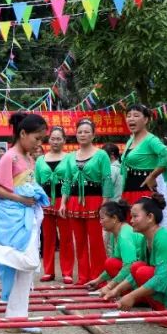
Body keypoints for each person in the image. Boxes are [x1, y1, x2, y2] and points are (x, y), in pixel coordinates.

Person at [0, 112, 51, 333]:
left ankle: (17, 318)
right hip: (14, 216)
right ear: (22, 133)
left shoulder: (29, 159)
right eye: (36, 138)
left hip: (28, 215)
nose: (39, 143)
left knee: (24, 272)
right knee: (30, 262)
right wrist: (22, 199)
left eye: (42, 139)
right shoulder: (10, 157)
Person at [58, 119, 113, 284]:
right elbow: (67, 181)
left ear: (93, 135)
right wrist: (63, 203)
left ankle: (98, 277)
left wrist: (105, 203)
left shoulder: (101, 155)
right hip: (74, 202)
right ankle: (83, 277)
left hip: (94, 200)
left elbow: (107, 180)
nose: (83, 135)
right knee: (79, 241)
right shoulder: (70, 157)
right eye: (80, 132)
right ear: (76, 134)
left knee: (96, 241)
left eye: (87, 132)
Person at [119, 104, 167, 204]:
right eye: (128, 116)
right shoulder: (130, 140)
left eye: (136, 115)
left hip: (143, 194)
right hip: (128, 193)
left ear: (146, 120)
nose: (131, 119)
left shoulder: (151, 140)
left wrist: (152, 176)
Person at [84, 200, 144, 300]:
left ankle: (135, 296)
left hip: (141, 272)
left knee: (111, 263)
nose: (100, 222)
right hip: (135, 273)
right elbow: (116, 262)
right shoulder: (115, 233)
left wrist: (109, 286)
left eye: (102, 218)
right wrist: (98, 280)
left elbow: (129, 265)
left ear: (114, 218)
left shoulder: (125, 235)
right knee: (111, 263)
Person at [35, 126, 71, 283]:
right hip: (45, 202)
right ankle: (48, 271)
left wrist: (65, 201)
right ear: (48, 140)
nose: (55, 142)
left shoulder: (70, 158)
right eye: (52, 138)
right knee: (47, 238)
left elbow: (71, 181)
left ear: (64, 140)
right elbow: (36, 183)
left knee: (66, 238)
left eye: (59, 139)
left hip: (65, 202)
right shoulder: (40, 160)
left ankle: (67, 272)